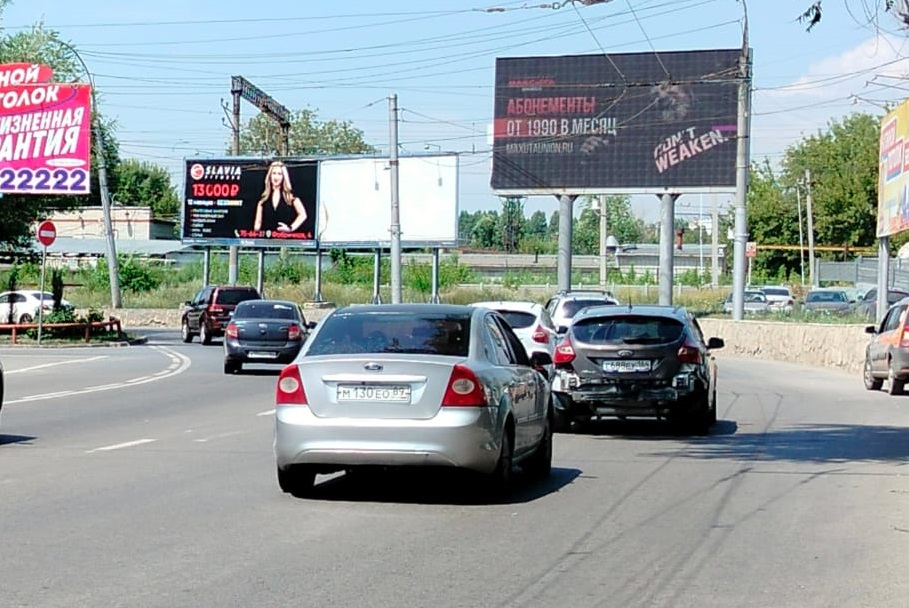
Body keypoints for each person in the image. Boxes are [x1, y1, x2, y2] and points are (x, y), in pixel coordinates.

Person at [254, 160, 307, 234]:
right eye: (274, 173)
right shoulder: (263, 198)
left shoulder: (290, 196)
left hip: (285, 241)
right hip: (266, 241)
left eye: (279, 174)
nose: (276, 177)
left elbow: (303, 215)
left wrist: (290, 228)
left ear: (283, 176)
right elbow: (257, 224)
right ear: (270, 175)